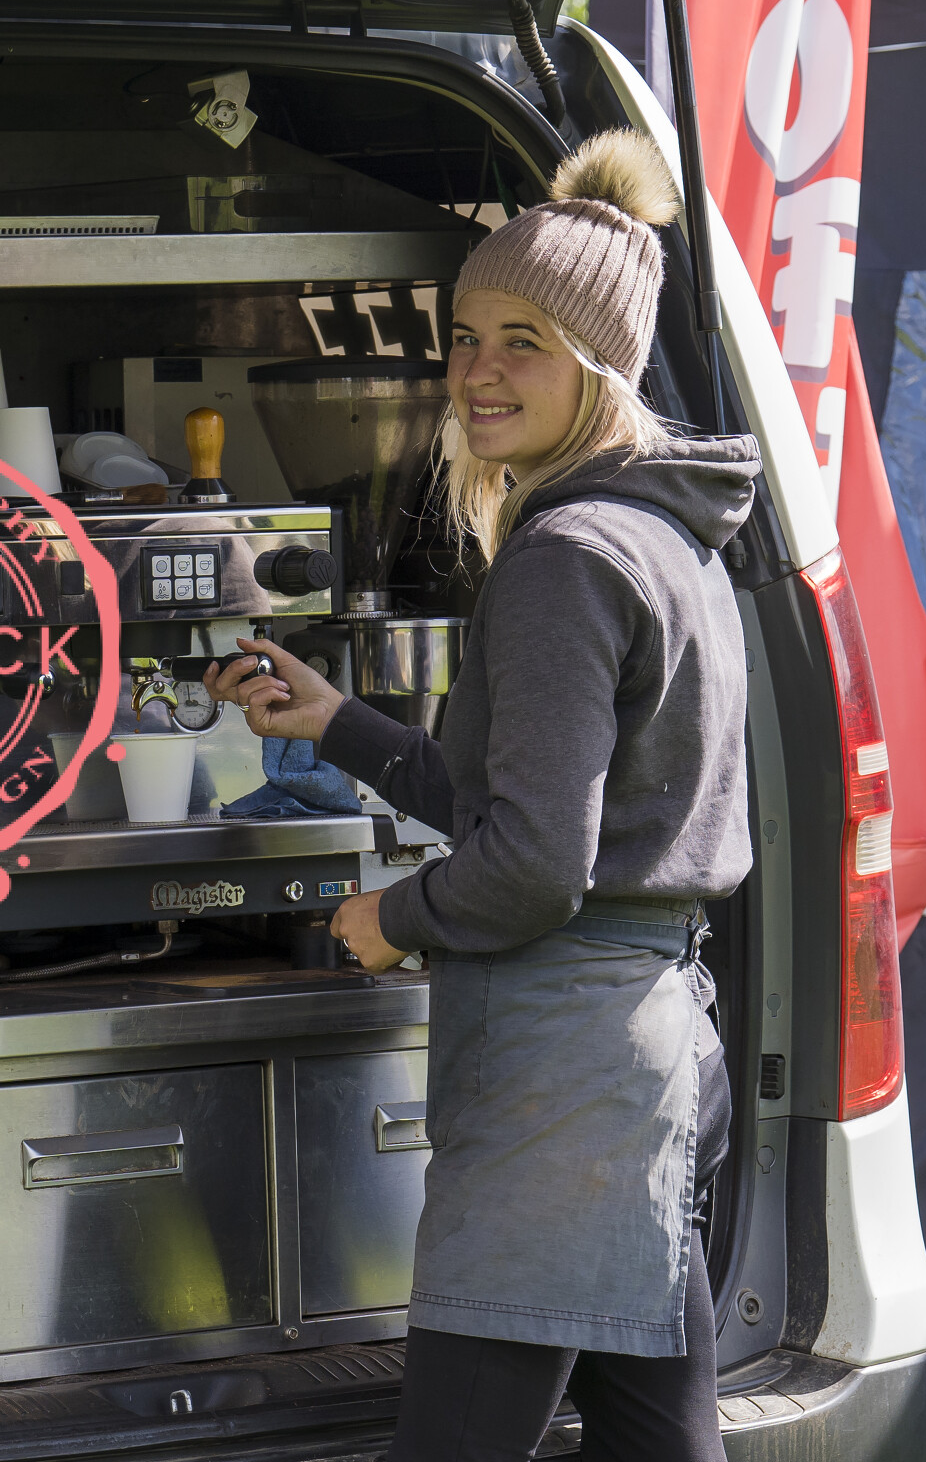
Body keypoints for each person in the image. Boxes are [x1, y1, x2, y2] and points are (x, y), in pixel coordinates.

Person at [208, 128, 756, 1462]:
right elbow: (519, 804)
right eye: (464, 338)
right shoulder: (665, 535)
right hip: (650, 1049)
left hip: (563, 1077)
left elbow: (532, 867)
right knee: (657, 1437)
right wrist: (340, 723)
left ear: (601, 364)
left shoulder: (566, 555)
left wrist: (389, 919)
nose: (478, 372)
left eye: (525, 342)